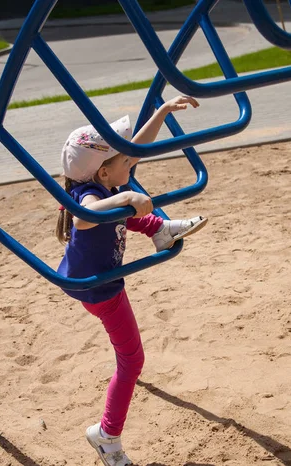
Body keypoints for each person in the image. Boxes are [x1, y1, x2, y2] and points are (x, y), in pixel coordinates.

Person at [55, 96, 208, 466]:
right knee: (132, 360)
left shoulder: (102, 180)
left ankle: (160, 229)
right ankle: (106, 435)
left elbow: (135, 148)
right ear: (104, 173)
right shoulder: (89, 196)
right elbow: (84, 218)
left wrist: (163, 111)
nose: (131, 162)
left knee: (125, 212)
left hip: (91, 279)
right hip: (99, 288)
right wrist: (126, 195)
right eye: (123, 162)